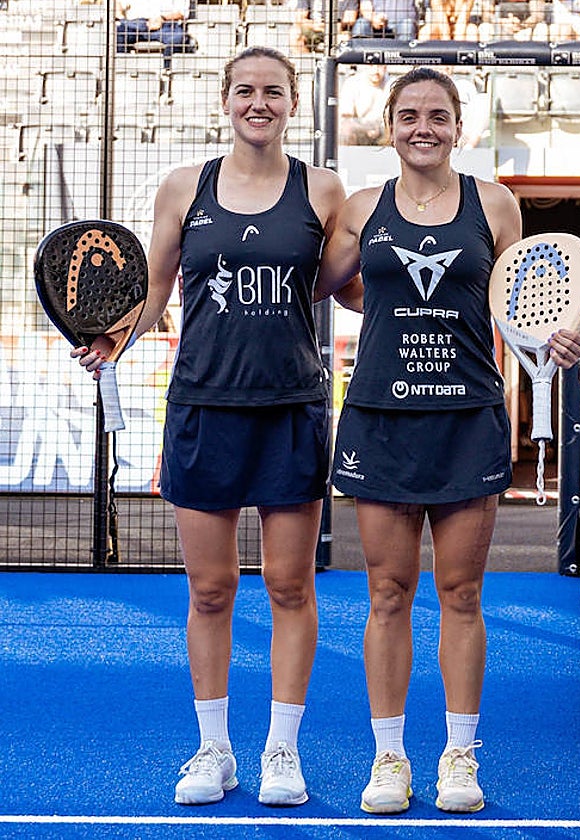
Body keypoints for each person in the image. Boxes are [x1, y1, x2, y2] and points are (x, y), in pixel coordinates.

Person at [72, 47, 347, 808]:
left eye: (274, 93)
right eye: (245, 91)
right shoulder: (182, 188)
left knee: (290, 586)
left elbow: (355, 285)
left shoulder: (323, 190)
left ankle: (281, 751)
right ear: (225, 101)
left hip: (291, 409)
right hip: (202, 408)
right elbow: (154, 290)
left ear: (293, 103)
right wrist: (111, 337)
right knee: (212, 589)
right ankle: (214, 748)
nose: (259, 103)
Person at [313, 67, 580, 816]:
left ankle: (460, 757)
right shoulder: (362, 208)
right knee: (387, 592)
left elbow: (531, 297)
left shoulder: (493, 203)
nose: (422, 126)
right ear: (389, 126)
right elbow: (325, 283)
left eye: (437, 114)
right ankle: (391, 759)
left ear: (458, 126)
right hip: (379, 419)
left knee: (461, 594)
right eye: (408, 114)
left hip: (468, 421)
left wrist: (565, 336)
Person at [117, 0, 192, 56]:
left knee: (179, 38)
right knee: (116, 35)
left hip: (165, 25)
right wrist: (121, 17)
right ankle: (122, 71)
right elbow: (118, 4)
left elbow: (183, 13)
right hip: (135, 25)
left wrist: (163, 18)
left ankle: (166, 70)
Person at [339, 64, 389, 146]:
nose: (376, 70)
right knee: (346, 130)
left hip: (384, 128)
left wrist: (380, 129)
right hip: (359, 127)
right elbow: (346, 117)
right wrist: (365, 129)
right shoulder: (352, 83)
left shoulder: (392, 85)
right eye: (371, 65)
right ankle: (347, 157)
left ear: (385, 67)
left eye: (380, 66)